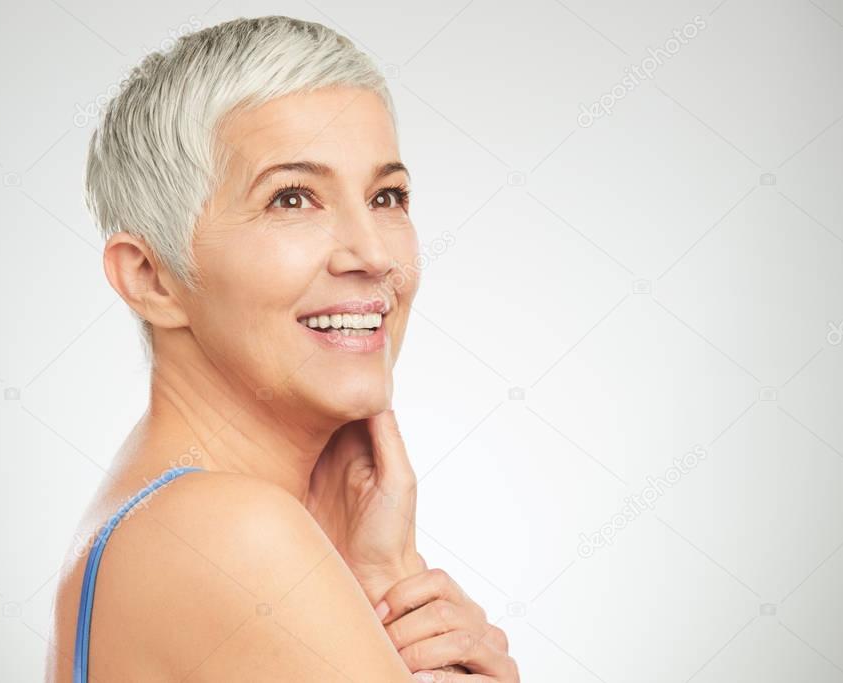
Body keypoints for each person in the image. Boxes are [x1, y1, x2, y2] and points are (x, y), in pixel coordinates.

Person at [46, 15, 519, 682]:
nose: (375, 254)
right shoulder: (228, 531)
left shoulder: (158, 513)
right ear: (152, 278)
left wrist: (385, 582)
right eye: (291, 198)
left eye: (387, 196)